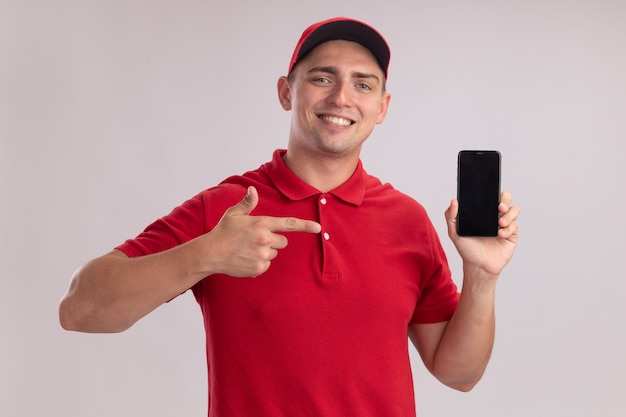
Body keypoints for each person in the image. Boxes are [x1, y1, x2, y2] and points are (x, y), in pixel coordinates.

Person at [59, 16, 520, 417]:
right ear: (286, 91)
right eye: (322, 78)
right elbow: (80, 310)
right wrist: (205, 255)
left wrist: (480, 276)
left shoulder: (407, 220)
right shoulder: (227, 208)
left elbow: (458, 374)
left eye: (363, 83)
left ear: (382, 107)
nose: (342, 97)